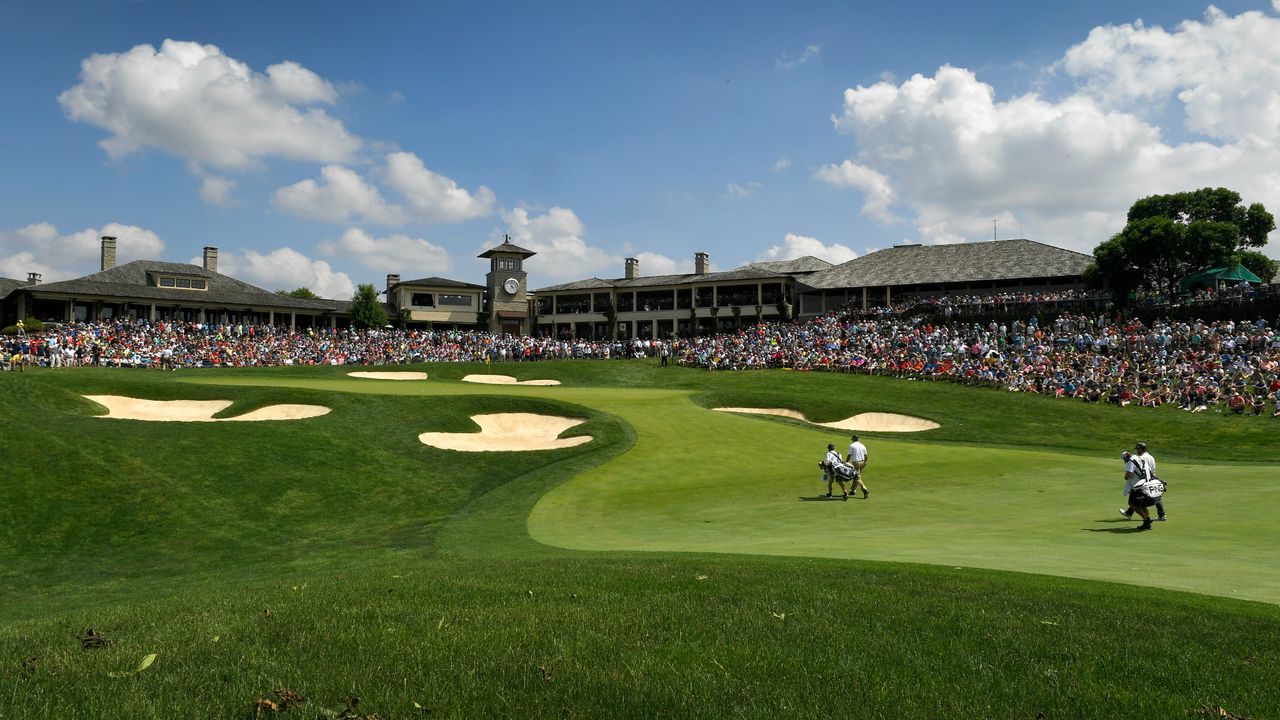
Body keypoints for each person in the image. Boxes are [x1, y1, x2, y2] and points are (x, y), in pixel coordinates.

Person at [1118, 451, 1154, 530]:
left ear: (1126, 458)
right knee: (1142, 505)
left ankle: (1147, 520)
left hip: (1137, 487)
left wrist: (1126, 477)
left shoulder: (1130, 462)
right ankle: (1147, 524)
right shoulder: (1139, 458)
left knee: (1132, 504)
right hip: (1145, 484)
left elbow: (1129, 475)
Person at [1132, 441, 1166, 521]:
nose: (1137, 451)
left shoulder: (1142, 458)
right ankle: (1162, 515)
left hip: (1146, 479)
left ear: (1141, 449)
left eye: (1138, 449)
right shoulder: (1151, 457)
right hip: (1153, 479)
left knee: (1140, 496)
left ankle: (1148, 517)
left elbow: (1145, 470)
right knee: (1156, 496)